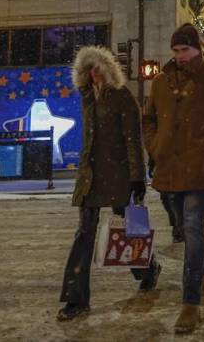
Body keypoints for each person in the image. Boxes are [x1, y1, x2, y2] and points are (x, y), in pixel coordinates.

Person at [144, 23, 204, 334]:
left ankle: (190, 302)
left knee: (192, 225)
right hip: (168, 168)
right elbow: (148, 118)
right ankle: (202, 270)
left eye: (184, 49)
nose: (180, 55)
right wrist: (154, 144)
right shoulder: (161, 82)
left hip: (199, 168)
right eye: (175, 51)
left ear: (197, 49)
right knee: (183, 227)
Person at [58, 46, 160, 322]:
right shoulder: (87, 97)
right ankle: (76, 298)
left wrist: (138, 176)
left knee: (128, 228)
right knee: (84, 234)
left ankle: (148, 269)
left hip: (118, 174)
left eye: (98, 67)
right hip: (90, 176)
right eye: (88, 69)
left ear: (107, 68)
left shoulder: (122, 96)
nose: (94, 74)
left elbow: (132, 139)